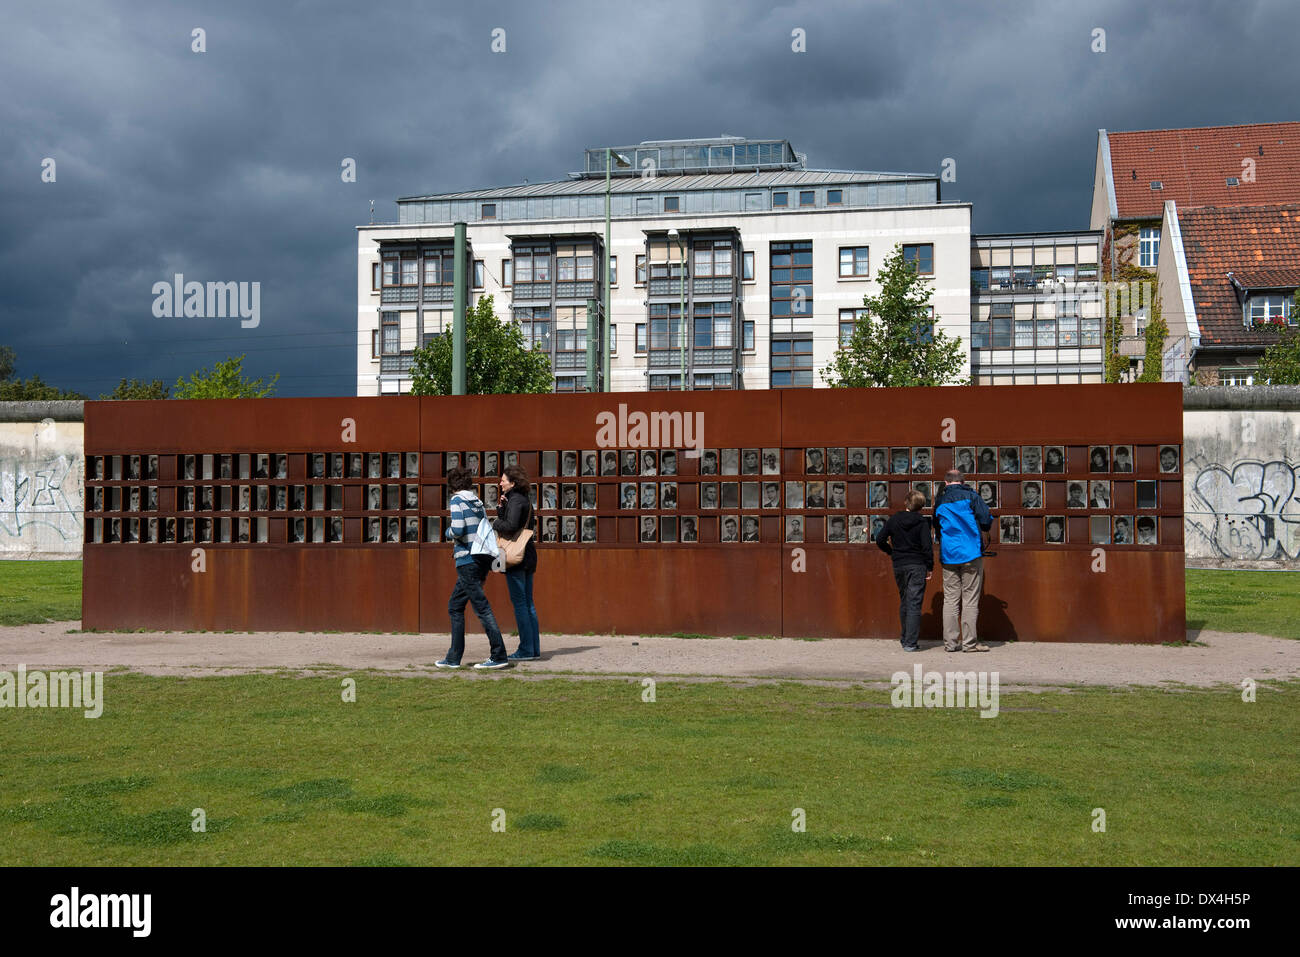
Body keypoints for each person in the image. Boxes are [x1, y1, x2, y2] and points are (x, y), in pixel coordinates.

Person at [438, 467, 510, 670]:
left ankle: (499, 655)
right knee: (455, 605)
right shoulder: (477, 502)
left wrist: (447, 531)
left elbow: (458, 529)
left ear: (451, 485)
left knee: (482, 608)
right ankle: (453, 658)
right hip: (480, 559)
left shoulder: (456, 501)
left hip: (466, 560)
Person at [932, 469, 992, 653]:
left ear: (946, 482)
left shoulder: (940, 501)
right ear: (962, 481)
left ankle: (950, 644)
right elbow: (986, 521)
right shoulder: (972, 497)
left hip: (949, 554)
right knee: (970, 599)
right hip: (971, 553)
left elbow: (936, 525)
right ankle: (969, 644)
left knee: (950, 599)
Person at [876, 489, 934, 652]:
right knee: (914, 602)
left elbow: (880, 539)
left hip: (899, 564)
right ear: (921, 505)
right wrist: (930, 566)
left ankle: (904, 638)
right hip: (917, 565)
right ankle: (910, 642)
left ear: (906, 503)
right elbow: (927, 546)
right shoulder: (922, 522)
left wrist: (891, 552)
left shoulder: (894, 519)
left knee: (905, 600)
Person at [494, 465, 541, 662]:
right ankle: (533, 648)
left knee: (520, 604)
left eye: (503, 480)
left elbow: (510, 526)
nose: (500, 483)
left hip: (516, 558)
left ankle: (525, 650)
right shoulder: (524, 500)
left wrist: (496, 521)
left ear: (512, 483)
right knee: (528, 604)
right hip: (528, 554)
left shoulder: (515, 500)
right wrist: (502, 508)